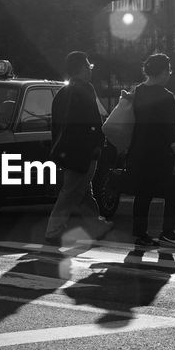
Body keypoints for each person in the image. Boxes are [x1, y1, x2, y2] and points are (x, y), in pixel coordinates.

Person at [44, 51, 112, 245]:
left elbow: (55, 126)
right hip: (82, 152)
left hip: (65, 151)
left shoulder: (62, 93)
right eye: (89, 67)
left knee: (82, 191)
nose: (90, 71)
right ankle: (53, 231)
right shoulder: (86, 90)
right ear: (82, 68)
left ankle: (96, 224)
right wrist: (98, 144)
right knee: (71, 193)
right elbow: (93, 121)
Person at [126, 52, 175, 247]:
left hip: (139, 151)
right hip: (162, 154)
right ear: (162, 72)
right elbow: (172, 128)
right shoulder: (166, 96)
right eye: (168, 70)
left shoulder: (137, 92)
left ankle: (140, 233)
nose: (169, 74)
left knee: (143, 193)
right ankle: (168, 232)